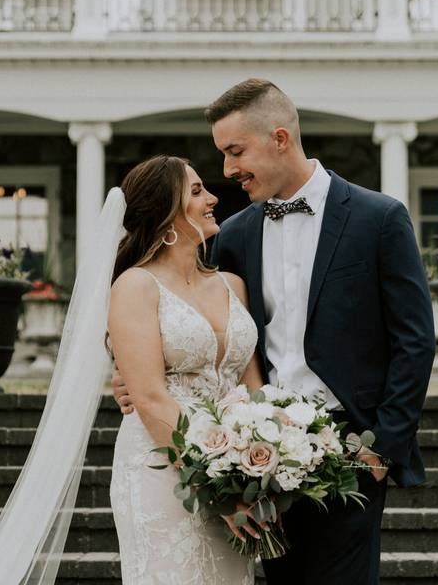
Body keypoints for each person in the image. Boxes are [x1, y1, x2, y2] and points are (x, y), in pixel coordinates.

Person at [113, 79, 435, 584]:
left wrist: (382, 450)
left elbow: (414, 340)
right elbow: (198, 319)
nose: (227, 170)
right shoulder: (235, 234)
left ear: (279, 138)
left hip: (351, 452)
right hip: (253, 457)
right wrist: (131, 376)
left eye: (235, 151)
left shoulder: (380, 219)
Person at [108, 155, 263, 584]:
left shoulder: (233, 286)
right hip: (163, 470)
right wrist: (219, 494)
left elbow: (252, 388)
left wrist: (259, 468)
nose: (213, 198)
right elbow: (150, 397)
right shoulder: (135, 286)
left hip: (233, 468)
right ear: (164, 212)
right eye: (196, 191)